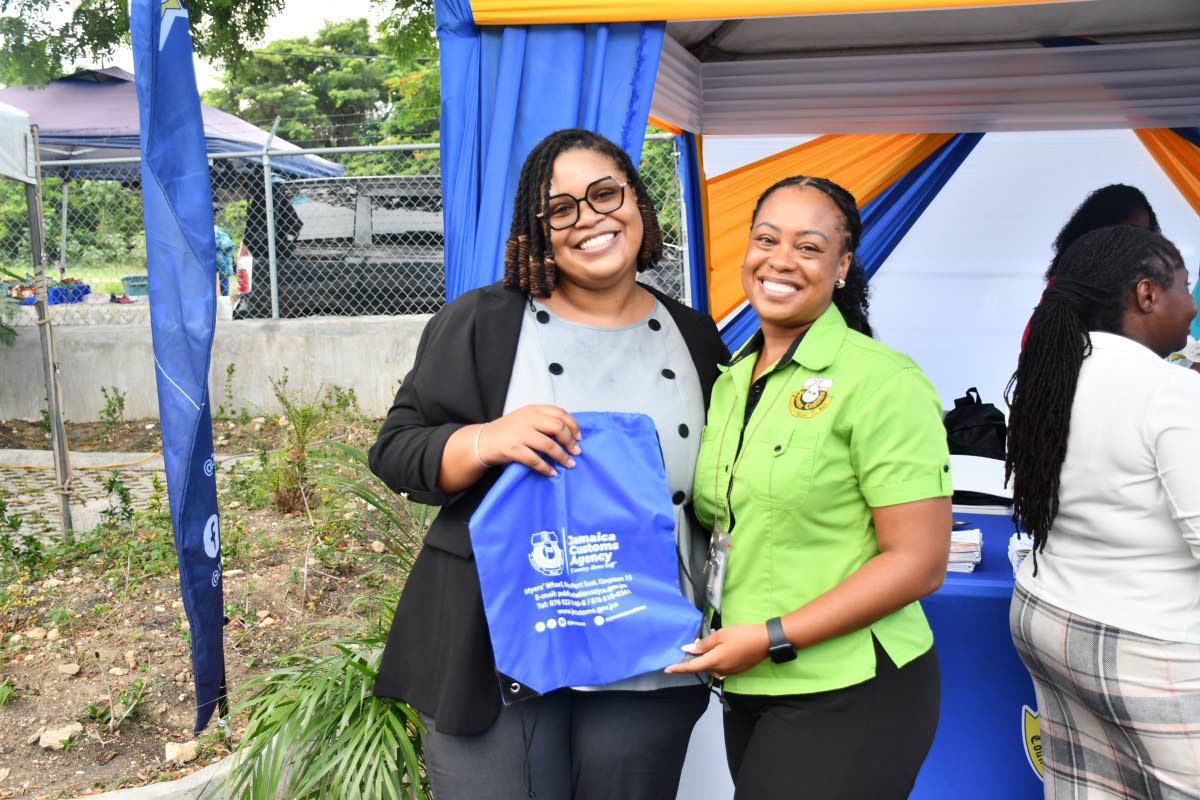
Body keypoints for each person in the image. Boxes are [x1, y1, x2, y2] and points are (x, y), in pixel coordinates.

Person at [368, 128, 727, 800]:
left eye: (604, 194)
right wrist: (485, 440)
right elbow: (395, 450)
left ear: (638, 204)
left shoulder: (696, 335)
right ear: (537, 232)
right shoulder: (484, 323)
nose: (588, 218)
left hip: (647, 650)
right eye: (561, 209)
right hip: (499, 647)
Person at [667, 176, 953, 798]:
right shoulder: (731, 379)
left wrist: (769, 636)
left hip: (848, 687)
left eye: (808, 246)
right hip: (750, 684)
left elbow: (920, 562)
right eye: (766, 239)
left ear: (843, 265)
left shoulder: (882, 381)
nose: (780, 261)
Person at [1006, 225, 1200, 798]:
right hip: (1148, 644)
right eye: (1185, 286)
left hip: (1049, 620)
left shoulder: (1052, 377)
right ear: (1146, 294)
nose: (1192, 305)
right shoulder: (1171, 392)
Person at [1023, 184, 1159, 346]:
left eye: (1145, 233)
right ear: (1100, 229)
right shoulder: (1071, 284)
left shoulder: (1138, 286)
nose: (1138, 241)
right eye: (1130, 230)